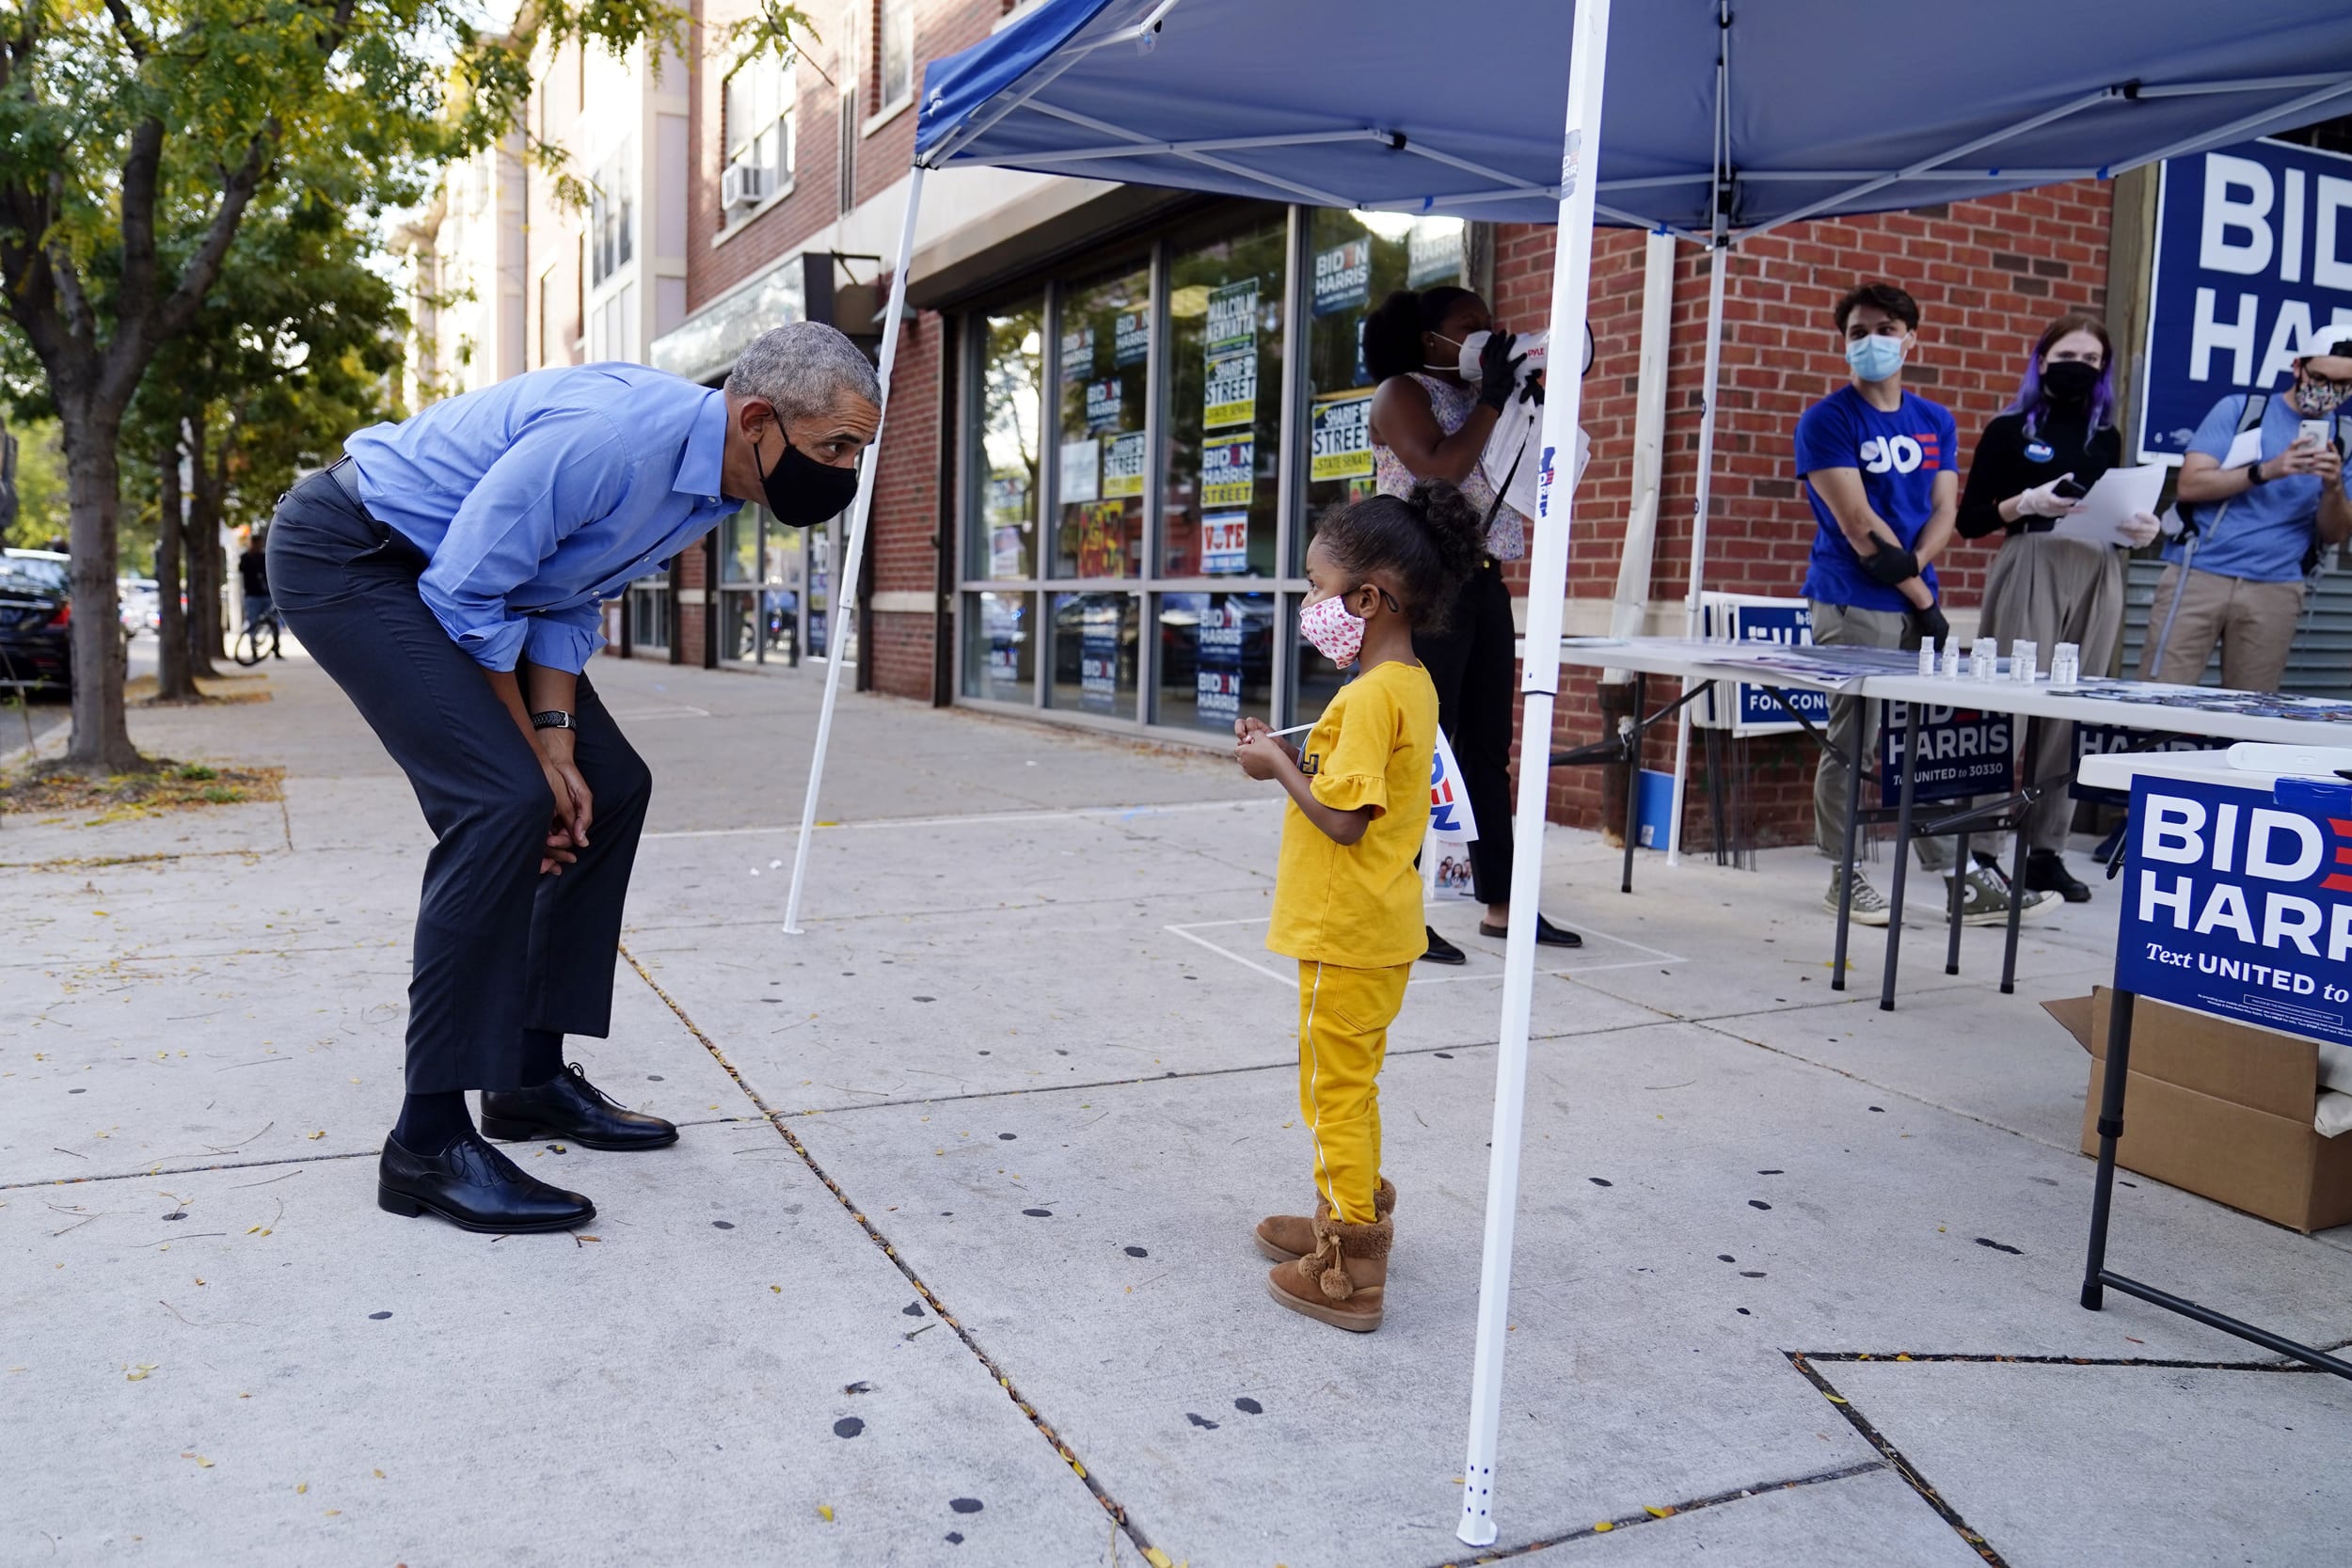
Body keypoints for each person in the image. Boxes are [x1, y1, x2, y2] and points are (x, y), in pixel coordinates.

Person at [268, 323, 881, 1234]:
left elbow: (558, 590)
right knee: (499, 802)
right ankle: (426, 1140)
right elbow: (467, 595)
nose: (844, 470)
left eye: (858, 451)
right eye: (835, 446)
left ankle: (523, 1076)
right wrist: (530, 768)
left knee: (610, 780)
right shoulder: (618, 438)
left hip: (468, 585)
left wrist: (556, 743)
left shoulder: (711, 485)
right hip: (356, 554)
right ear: (757, 417)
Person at [1233, 479, 1479, 1332]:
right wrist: (1289, 748)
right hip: (1379, 925)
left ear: (1368, 599)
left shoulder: (1373, 694)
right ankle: (1347, 1209)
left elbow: (1342, 818)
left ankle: (1350, 1267)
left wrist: (1277, 768)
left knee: (1330, 1088)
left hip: (1345, 928)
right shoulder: (1405, 683)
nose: (1308, 601)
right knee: (1352, 1083)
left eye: (1314, 585)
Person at [1796, 280, 2051, 928]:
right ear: (1843, 344)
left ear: (1913, 336)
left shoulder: (1935, 419)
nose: (1871, 342)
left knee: (1926, 746)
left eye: (1885, 328)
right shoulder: (1828, 420)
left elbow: (1944, 510)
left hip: (1913, 595)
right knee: (1854, 739)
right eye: (1857, 332)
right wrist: (1921, 595)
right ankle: (1844, 872)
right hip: (1853, 598)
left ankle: (1960, 878)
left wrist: (1918, 578)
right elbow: (1858, 526)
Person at [1363, 285, 1581, 965]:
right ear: (1430, 339)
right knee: (1420, 750)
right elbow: (1439, 468)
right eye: (1469, 328)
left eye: (1490, 326)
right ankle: (1395, 909)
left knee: (1488, 747)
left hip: (1484, 582)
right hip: (1422, 587)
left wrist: (1523, 397)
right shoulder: (1401, 394)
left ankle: (1504, 902)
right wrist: (1491, 397)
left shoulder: (1495, 398)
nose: (1485, 336)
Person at [1955, 314, 2162, 902]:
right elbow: (1971, 520)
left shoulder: (2106, 435)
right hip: (2033, 560)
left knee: (2074, 715)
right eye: (2068, 353)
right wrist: (2025, 502)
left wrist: (2137, 529)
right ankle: (1982, 849)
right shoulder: (2008, 429)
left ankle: (2045, 849)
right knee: (2011, 709)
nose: (2080, 365)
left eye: (2093, 359)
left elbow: (2115, 502)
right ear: (2042, 360)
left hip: (2097, 566)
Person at [2143, 334, 2352, 691]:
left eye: (2343, 384)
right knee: (2161, 693)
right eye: (2319, 379)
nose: (2328, 391)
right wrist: (2269, 470)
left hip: (2276, 584)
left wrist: (2333, 486)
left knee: (2252, 711)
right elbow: (2190, 485)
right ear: (2297, 367)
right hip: (2200, 572)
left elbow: (2335, 534)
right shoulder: (2241, 410)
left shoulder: (2345, 438)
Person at [237, 535, 281, 658]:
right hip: (252, 595)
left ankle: (276, 647)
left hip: (265, 594)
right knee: (253, 622)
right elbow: (241, 570)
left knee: (273, 621)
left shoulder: (264, 557)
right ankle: (253, 648)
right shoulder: (246, 557)